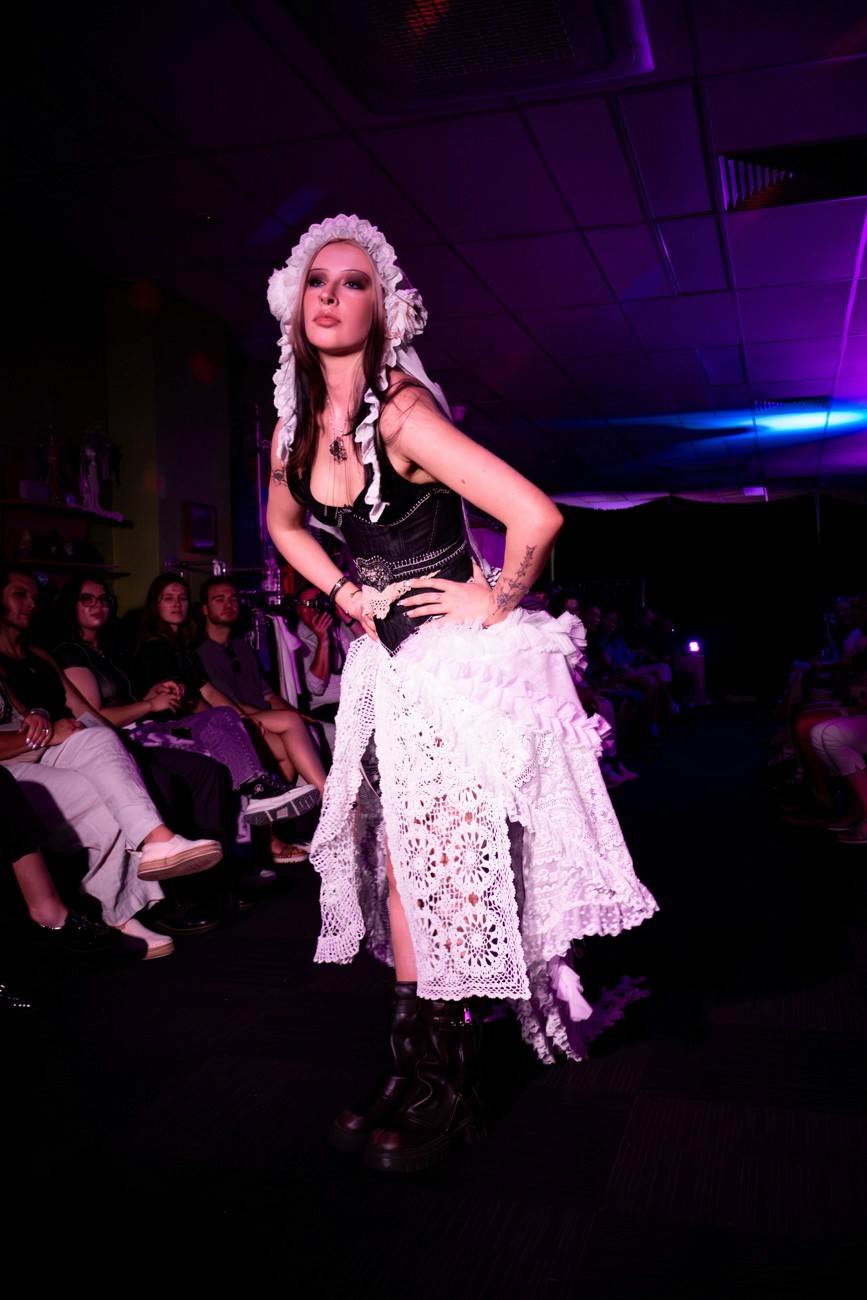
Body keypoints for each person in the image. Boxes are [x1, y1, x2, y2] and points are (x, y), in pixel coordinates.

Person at [264, 214, 658, 1172]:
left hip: (457, 668)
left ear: (382, 307)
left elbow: (533, 513)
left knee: (444, 871)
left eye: (351, 282)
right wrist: (345, 590)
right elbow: (283, 524)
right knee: (404, 866)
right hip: (391, 669)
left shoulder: (400, 412)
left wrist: (493, 598)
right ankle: (414, 1065)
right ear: (293, 302)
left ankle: (453, 1086)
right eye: (317, 280)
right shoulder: (289, 427)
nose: (329, 295)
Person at [0, 566, 223, 957]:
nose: (31, 603)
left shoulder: (37, 656)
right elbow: (28, 729)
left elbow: (85, 715)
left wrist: (127, 736)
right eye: (20, 594)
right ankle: (124, 906)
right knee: (106, 789)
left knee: (104, 749)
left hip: (55, 748)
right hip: (15, 766)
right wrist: (48, 731)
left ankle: (154, 849)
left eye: (35, 595)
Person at [52, 572, 232, 933]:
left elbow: (132, 699)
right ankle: (166, 900)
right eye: (88, 599)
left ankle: (209, 879)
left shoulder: (112, 648)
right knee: (162, 781)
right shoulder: (69, 652)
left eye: (104, 599)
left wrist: (153, 693)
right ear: (71, 607)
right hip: (103, 742)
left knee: (208, 772)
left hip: (132, 733)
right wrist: (150, 705)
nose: (98, 605)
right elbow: (93, 718)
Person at [130, 572, 310, 830]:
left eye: (182, 598)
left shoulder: (182, 647)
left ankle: (271, 832)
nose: (177, 604)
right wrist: (234, 721)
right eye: (168, 598)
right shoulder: (156, 648)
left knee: (284, 741)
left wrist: (240, 717)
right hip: (171, 729)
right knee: (279, 744)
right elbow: (186, 703)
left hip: (201, 723)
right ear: (155, 605)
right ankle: (270, 834)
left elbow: (210, 692)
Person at [196, 576, 323, 862]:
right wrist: (266, 719)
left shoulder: (242, 646)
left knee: (296, 732)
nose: (229, 604)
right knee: (290, 733)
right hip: (235, 723)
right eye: (219, 599)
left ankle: (270, 837)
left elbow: (267, 694)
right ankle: (328, 804)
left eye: (232, 599)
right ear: (204, 608)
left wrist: (292, 713)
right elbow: (226, 704)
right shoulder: (201, 652)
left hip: (260, 719)